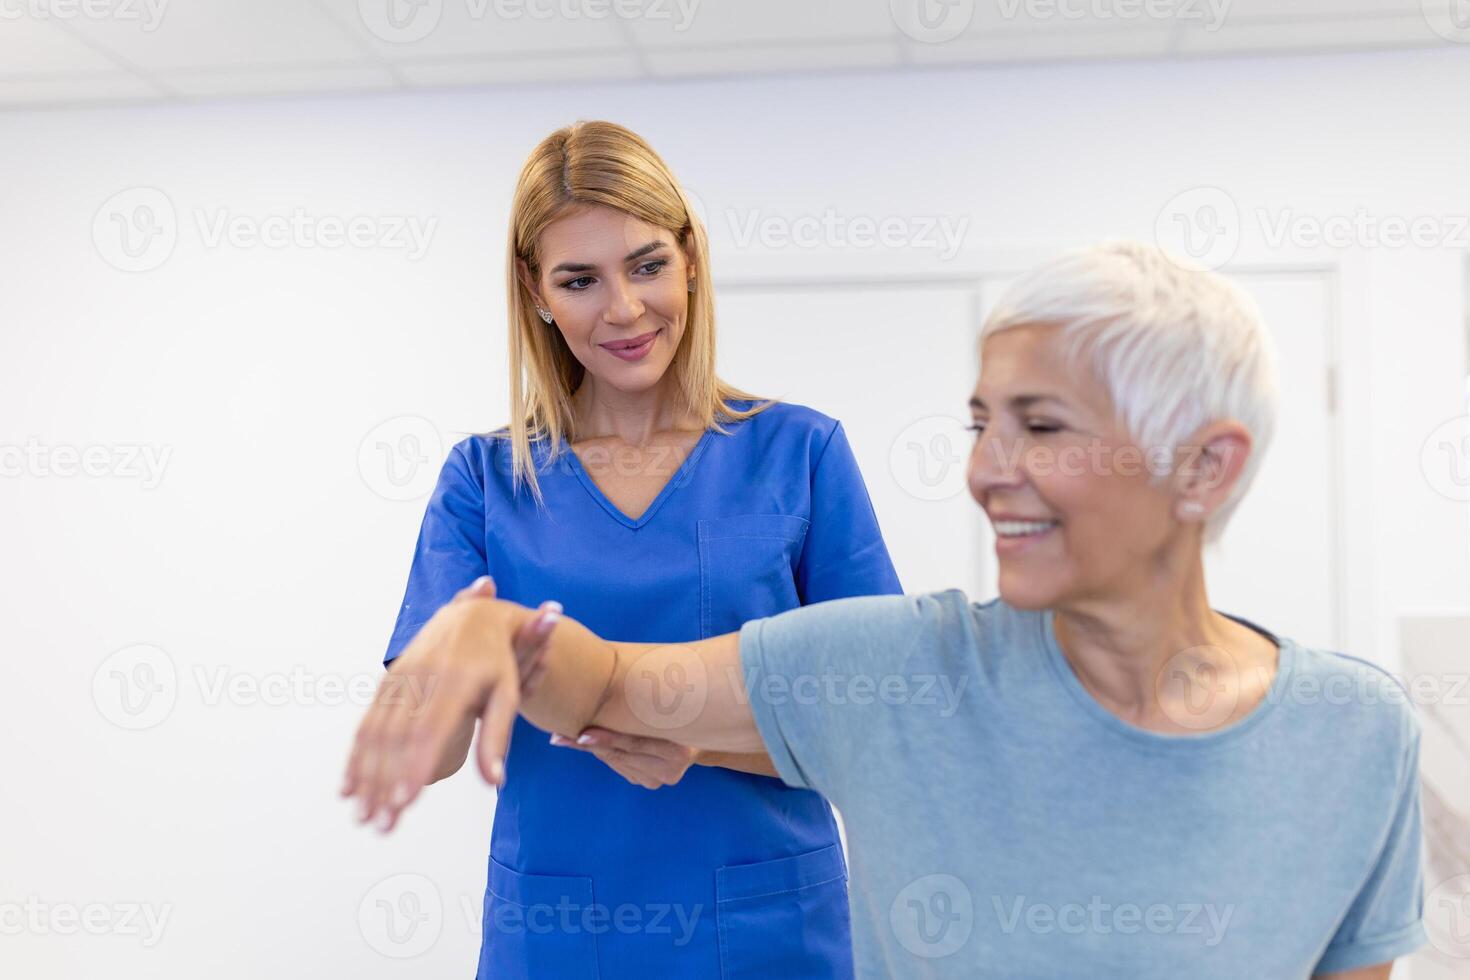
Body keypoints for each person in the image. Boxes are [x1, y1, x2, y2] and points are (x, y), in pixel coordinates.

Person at [345, 241, 1426, 978]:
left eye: (1041, 426)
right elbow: (617, 678)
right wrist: (490, 631)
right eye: (978, 426)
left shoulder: (1355, 735)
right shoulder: (897, 669)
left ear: (1204, 467)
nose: (988, 473)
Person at [368, 119, 902, 979]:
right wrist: (437, 672)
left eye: (647, 265)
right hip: (560, 929)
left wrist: (697, 738)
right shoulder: (486, 480)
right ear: (534, 290)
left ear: (690, 257)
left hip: (767, 927)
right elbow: (425, 756)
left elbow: (881, 727)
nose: (622, 309)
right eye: (579, 280)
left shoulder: (800, 455)